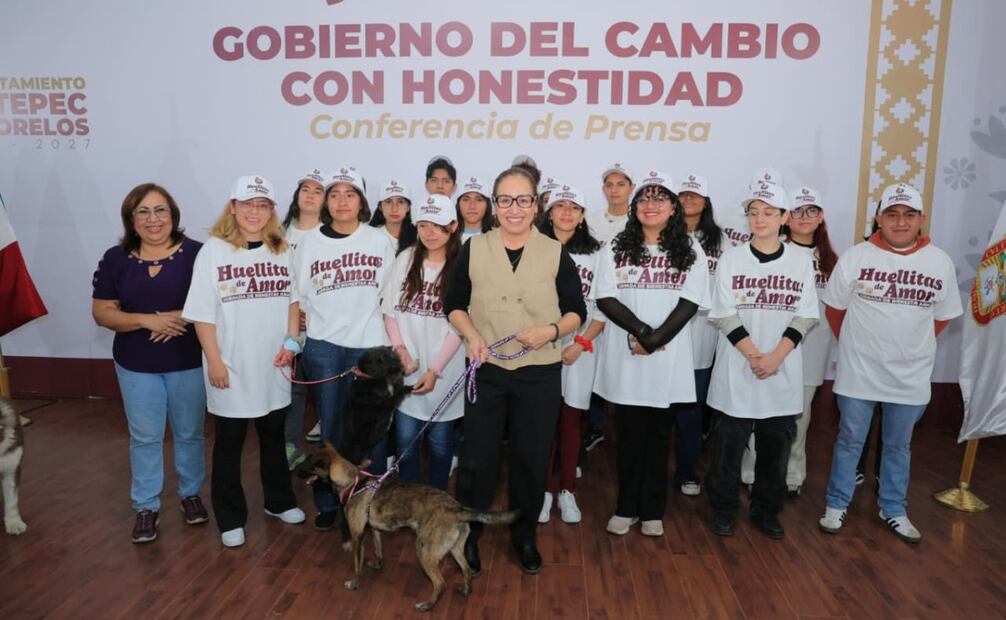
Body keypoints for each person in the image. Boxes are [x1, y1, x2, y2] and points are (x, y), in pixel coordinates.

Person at [445, 166, 586, 575]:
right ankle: (468, 535)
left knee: (531, 457)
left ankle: (524, 535)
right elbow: (453, 303)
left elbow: (577, 310)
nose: (514, 209)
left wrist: (551, 331)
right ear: (494, 205)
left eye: (523, 200)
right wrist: (471, 336)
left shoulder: (557, 253)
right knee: (477, 460)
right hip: (487, 369)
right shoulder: (473, 249)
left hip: (538, 373)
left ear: (536, 204)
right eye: (505, 200)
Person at [818, 183, 962, 543]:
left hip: (910, 375)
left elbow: (941, 318)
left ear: (921, 220)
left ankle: (893, 508)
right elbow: (835, 310)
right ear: (879, 219)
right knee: (850, 440)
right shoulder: (857, 256)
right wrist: (857, 346)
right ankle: (836, 504)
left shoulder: (939, 262)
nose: (900, 222)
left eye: (909, 215)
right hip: (858, 371)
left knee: (899, 446)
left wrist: (911, 345)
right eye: (892, 214)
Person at [182, 175, 305, 548]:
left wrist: (291, 343)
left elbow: (293, 302)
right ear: (232, 207)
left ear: (271, 211)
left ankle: (278, 501)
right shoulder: (213, 252)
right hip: (230, 367)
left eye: (262, 205)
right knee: (230, 442)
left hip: (273, 364)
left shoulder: (281, 248)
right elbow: (202, 316)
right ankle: (231, 518)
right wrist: (215, 362)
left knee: (273, 436)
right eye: (247, 204)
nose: (255, 211)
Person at [593, 171, 709, 537]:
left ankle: (652, 510)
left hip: (667, 360)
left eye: (660, 198)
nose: (651, 205)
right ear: (634, 207)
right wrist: (643, 335)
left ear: (674, 207)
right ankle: (625, 507)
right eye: (644, 198)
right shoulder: (615, 246)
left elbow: (691, 301)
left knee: (660, 438)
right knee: (627, 437)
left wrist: (656, 340)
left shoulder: (690, 249)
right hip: (628, 356)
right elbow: (605, 297)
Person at [92, 182, 207, 544]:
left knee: (189, 433)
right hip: (136, 363)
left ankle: (190, 495)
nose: (153, 219)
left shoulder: (198, 254)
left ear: (173, 216)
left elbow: (215, 302)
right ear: (131, 219)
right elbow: (102, 312)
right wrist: (147, 320)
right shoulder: (115, 259)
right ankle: (146, 507)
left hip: (187, 360)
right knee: (145, 437)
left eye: (160, 210)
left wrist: (178, 316)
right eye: (143, 211)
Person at [706, 181, 819, 540]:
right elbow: (723, 314)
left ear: (785, 217)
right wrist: (756, 357)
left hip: (780, 370)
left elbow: (805, 316)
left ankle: (766, 510)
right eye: (754, 212)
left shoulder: (801, 261)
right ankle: (724, 510)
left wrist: (775, 358)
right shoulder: (731, 258)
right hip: (738, 368)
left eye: (769, 212)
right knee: (727, 451)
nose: (760, 219)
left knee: (775, 452)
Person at [293, 166, 396, 530]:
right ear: (325, 201)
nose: (341, 201)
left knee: (371, 428)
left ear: (362, 202)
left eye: (350, 194)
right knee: (331, 430)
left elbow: (390, 292)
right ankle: (329, 502)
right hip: (324, 348)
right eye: (334, 194)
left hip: (368, 348)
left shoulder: (379, 240)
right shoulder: (309, 243)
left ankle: (375, 499)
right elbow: (299, 294)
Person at [740, 186, 838, 496]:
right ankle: (752, 473)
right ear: (785, 216)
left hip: (810, 349)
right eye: (797, 210)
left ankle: (792, 476)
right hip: (767, 347)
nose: (804, 217)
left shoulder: (832, 260)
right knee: (758, 414)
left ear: (821, 217)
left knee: (799, 416)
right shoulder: (769, 250)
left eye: (812, 210)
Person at [383, 194, 464, 490]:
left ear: (453, 226)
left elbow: (461, 325)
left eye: (438, 225)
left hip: (443, 371)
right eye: (424, 225)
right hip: (408, 368)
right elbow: (389, 311)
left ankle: (435, 502)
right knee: (405, 441)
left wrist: (435, 369)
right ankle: (410, 501)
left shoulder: (462, 265)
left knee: (441, 443)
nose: (430, 233)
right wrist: (401, 350)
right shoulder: (406, 258)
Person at [535, 185, 604, 525]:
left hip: (580, 348)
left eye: (573, 207)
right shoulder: (532, 247)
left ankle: (568, 490)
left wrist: (581, 343)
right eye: (559, 205)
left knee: (571, 420)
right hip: (540, 346)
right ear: (548, 212)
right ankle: (543, 492)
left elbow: (602, 308)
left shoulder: (597, 254)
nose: (566, 212)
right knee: (543, 420)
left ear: (581, 216)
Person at [677, 174, 726, 495]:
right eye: (683, 194)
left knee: (692, 412)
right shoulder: (660, 235)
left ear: (706, 201)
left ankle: (687, 471)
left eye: (695, 195)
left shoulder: (721, 241)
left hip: (702, 336)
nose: (689, 200)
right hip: (662, 335)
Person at [281, 169, 326, 470]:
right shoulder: (279, 233)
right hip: (287, 325)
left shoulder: (330, 235)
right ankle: (288, 446)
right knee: (292, 389)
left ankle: (332, 455)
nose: (309, 195)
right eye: (305, 189)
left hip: (321, 326)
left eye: (317, 191)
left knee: (326, 391)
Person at [370, 179, 417, 254]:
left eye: (401, 202)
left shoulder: (419, 236)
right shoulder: (370, 236)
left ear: (408, 207)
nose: (394, 209)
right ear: (380, 206)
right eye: (388, 202)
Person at [592, 163, 635, 242]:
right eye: (609, 185)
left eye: (621, 184)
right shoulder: (590, 221)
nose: (614, 190)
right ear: (603, 189)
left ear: (632, 188)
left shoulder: (640, 221)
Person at [456, 176, 494, 243]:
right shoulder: (447, 237)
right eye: (466, 200)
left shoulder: (498, 237)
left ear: (487, 205)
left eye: (479, 200)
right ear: (458, 204)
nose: (472, 206)